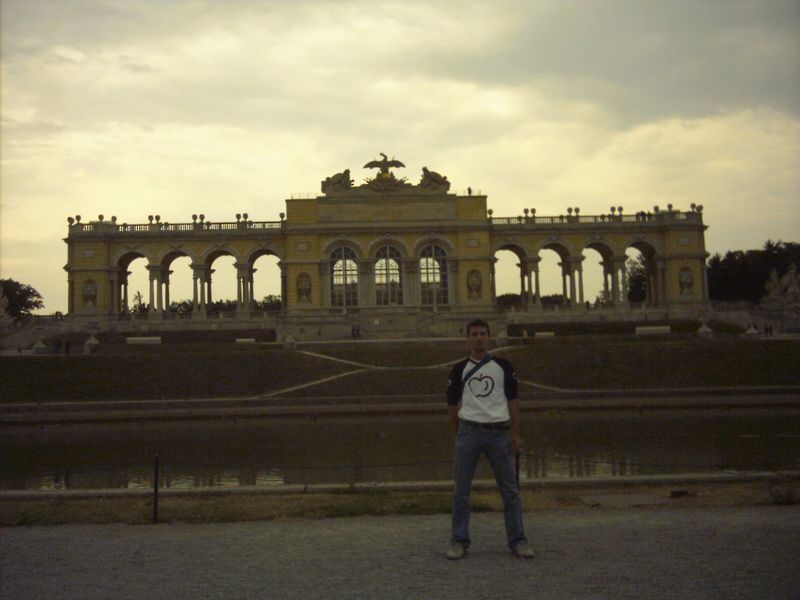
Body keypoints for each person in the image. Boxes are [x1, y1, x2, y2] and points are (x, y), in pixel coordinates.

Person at [445, 318, 533, 560]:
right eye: (474, 334)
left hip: (497, 433)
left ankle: (518, 540)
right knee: (461, 491)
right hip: (469, 432)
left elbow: (513, 401)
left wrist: (515, 432)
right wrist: (460, 432)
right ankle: (458, 540)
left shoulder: (504, 366)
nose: (479, 338)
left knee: (510, 491)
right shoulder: (458, 369)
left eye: (483, 333)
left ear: (489, 336)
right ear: (467, 338)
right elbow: (451, 405)